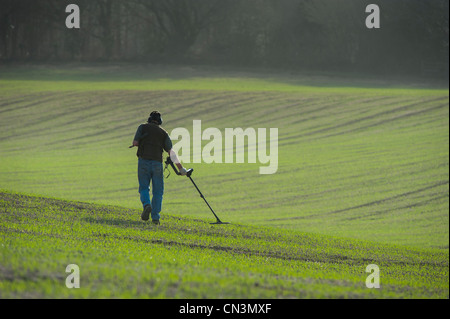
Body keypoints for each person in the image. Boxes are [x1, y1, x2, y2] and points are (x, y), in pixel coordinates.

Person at [132, 111, 187, 225]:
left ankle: (147, 204)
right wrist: (181, 168)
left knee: (143, 188)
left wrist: (142, 140)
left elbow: (135, 143)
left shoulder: (142, 127)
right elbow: (171, 152)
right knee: (158, 191)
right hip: (157, 163)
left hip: (143, 161)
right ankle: (155, 217)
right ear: (160, 121)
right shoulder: (163, 133)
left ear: (149, 119)